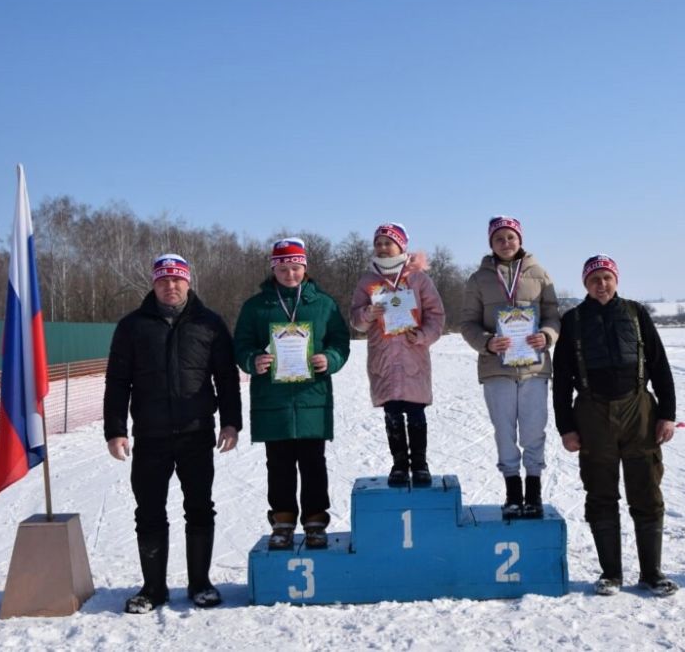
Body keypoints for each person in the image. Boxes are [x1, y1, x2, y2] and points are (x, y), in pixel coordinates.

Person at [104, 254, 241, 614]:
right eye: (163, 280)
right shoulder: (132, 326)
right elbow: (117, 382)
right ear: (154, 284)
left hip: (196, 433)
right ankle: (153, 588)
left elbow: (226, 378)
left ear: (188, 282)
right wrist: (115, 430)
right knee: (149, 511)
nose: (171, 286)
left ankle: (200, 583)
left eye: (177, 279)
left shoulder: (209, 323)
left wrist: (231, 422)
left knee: (199, 508)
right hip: (150, 436)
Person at [552, 254, 678, 597]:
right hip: (592, 415)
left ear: (616, 280)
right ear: (585, 284)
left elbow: (660, 367)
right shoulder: (573, 320)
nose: (601, 284)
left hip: (639, 412)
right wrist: (566, 427)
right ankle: (611, 574)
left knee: (647, 491)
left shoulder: (636, 314)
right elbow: (561, 380)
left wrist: (667, 414)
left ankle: (652, 573)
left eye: (606, 278)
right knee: (600, 493)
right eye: (594, 279)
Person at [233, 237, 350, 550]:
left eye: (296, 267)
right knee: (279, 463)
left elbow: (340, 341)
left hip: (311, 397)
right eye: (283, 268)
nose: (290, 274)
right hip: (274, 400)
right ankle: (282, 521)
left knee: (314, 462)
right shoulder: (256, 306)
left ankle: (315, 521)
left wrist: (331, 359)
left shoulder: (324, 304)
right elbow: (241, 344)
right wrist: (252, 360)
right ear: (274, 269)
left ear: (305, 268)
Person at [460, 216, 559, 518]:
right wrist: (487, 342)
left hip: (534, 368)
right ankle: (513, 493)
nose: (506, 243)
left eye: (510, 237)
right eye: (499, 238)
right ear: (491, 243)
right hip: (497, 369)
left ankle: (534, 492)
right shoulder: (478, 279)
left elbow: (553, 315)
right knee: (504, 431)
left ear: (520, 239)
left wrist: (547, 335)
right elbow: (467, 323)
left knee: (533, 430)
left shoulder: (540, 274)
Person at [350, 223, 445, 487]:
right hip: (383, 358)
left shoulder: (418, 279)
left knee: (415, 413)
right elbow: (356, 320)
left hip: (413, 355)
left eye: (387, 242)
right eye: (378, 243)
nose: (382, 247)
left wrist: (424, 335)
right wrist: (367, 314)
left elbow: (437, 315)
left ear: (401, 246)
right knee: (392, 413)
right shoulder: (367, 281)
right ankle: (399, 464)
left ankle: (421, 463)